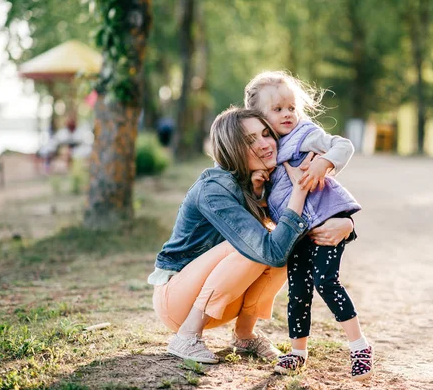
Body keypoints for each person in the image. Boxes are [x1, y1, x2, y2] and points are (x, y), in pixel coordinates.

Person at [147, 107, 355, 364]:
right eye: (250, 140)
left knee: (284, 241)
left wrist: (347, 225)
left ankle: (244, 335)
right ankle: (187, 336)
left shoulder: (267, 180)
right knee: (257, 246)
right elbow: (270, 250)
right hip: (176, 301)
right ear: (232, 148)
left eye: (266, 134)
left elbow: (316, 212)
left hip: (220, 306)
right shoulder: (214, 188)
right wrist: (299, 190)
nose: (266, 144)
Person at [244, 71, 373, 381]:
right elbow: (269, 201)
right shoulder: (264, 150)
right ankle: (298, 352)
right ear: (259, 117)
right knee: (298, 290)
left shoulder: (305, 133)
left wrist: (324, 162)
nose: (287, 113)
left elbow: (343, 145)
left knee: (327, 281)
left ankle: (359, 347)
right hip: (298, 230)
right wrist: (259, 188)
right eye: (277, 110)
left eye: (291, 107)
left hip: (326, 220)